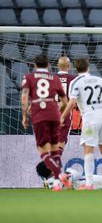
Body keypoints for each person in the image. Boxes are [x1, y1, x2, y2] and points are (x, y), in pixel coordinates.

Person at [60, 58, 102, 190]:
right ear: (88, 68)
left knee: (88, 148)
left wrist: (63, 116)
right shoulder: (100, 80)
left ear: (75, 68)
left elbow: (72, 102)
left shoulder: (75, 82)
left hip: (91, 118)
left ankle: (89, 183)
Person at [21, 53, 69, 191]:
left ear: (35, 65)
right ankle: (58, 179)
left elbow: (24, 96)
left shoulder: (29, 77)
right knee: (55, 149)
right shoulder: (54, 77)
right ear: (49, 65)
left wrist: (25, 116)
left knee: (43, 150)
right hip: (54, 113)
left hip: (40, 115)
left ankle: (59, 176)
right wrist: (60, 117)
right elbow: (64, 101)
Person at [55, 56, 77, 156]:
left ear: (58, 65)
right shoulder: (74, 79)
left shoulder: (50, 78)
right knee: (60, 144)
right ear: (69, 66)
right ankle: (51, 167)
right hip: (65, 114)